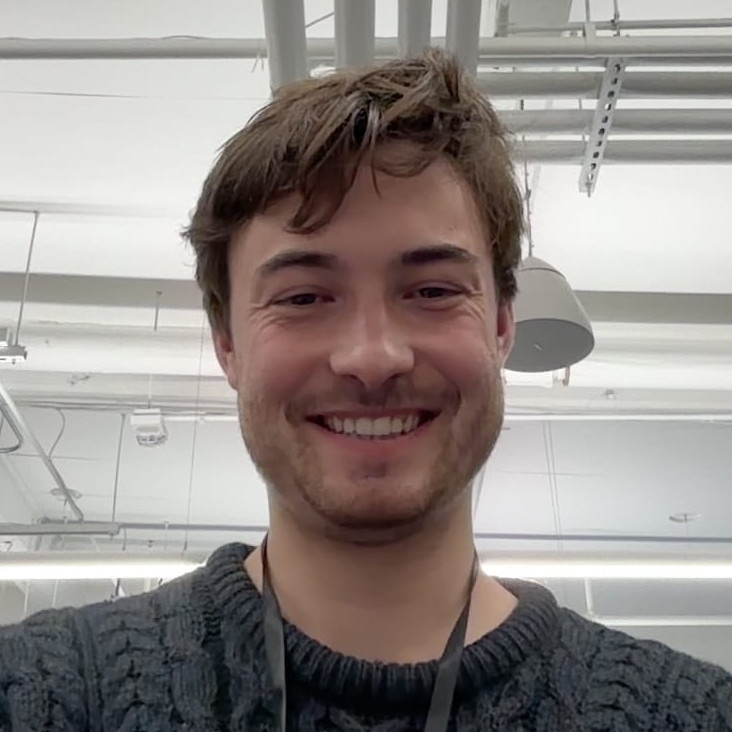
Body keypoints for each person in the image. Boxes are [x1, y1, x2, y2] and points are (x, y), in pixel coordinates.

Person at [1, 48, 731, 732]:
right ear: (228, 346)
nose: (373, 358)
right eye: (303, 298)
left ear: (503, 325)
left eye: (433, 290)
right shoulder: (41, 690)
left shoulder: (689, 714)